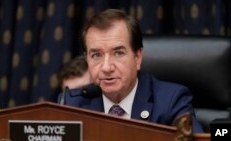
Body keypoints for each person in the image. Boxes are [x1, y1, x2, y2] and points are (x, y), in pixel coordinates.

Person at [65, 9, 203, 133]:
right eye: (96, 55)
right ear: (87, 58)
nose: (106, 67)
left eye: (118, 53)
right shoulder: (72, 103)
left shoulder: (171, 101)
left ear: (138, 57)